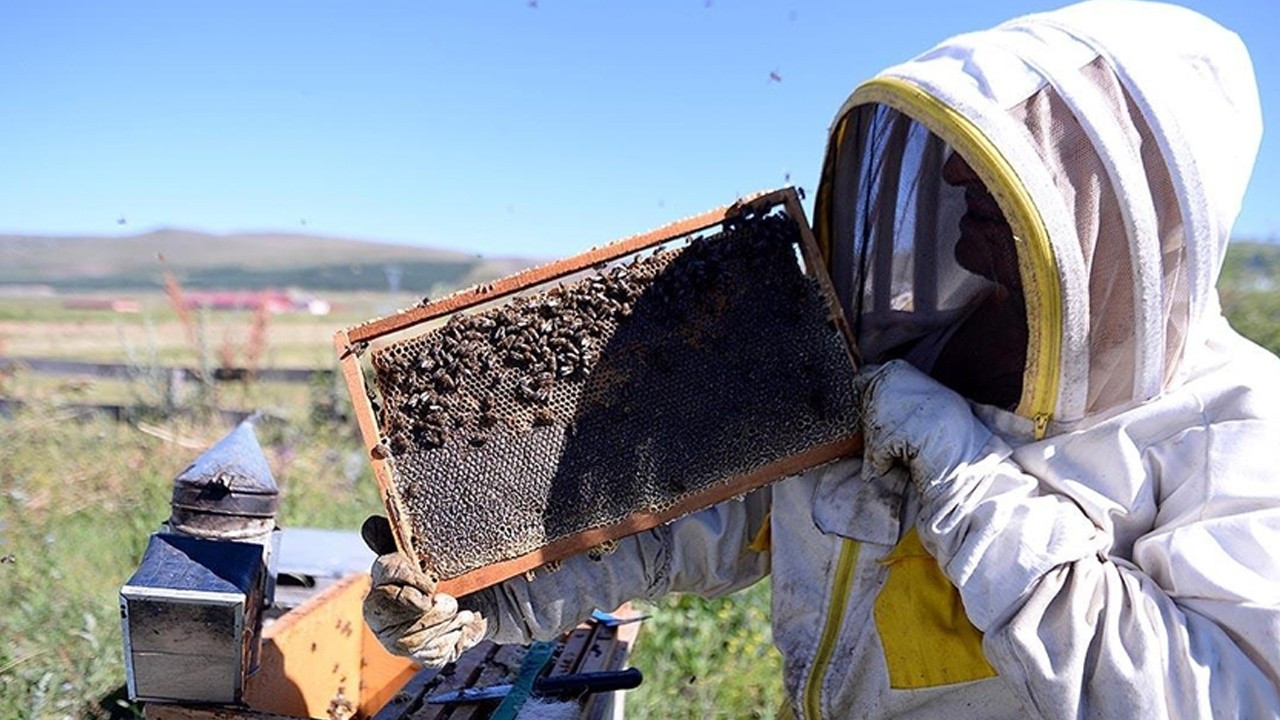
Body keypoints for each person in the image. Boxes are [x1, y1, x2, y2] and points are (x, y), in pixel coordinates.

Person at [363, 1, 1280, 717]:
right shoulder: (907, 351)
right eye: (965, 158)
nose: (959, 182)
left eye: (1015, 167)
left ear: (1146, 211)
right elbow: (724, 514)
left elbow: (1215, 701)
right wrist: (502, 591)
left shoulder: (1237, 436)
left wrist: (974, 485)